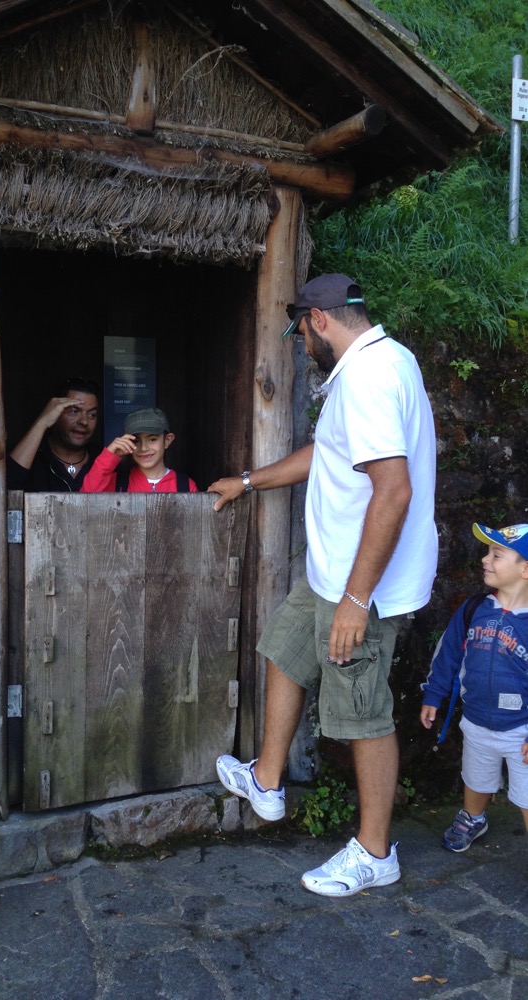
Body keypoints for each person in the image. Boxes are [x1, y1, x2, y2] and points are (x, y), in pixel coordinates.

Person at [208, 272, 437, 897]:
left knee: (362, 714)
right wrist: (248, 481)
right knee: (285, 649)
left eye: (301, 334)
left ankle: (375, 853)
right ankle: (267, 779)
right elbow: (328, 453)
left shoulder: (367, 379)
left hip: (363, 585)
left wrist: (356, 602)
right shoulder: (383, 361)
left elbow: (394, 491)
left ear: (318, 320)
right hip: (333, 570)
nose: (303, 347)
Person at [420, 522, 528, 851]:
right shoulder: (474, 609)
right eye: (487, 553)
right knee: (476, 776)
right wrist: (434, 693)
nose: (485, 559)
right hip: (477, 719)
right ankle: (473, 817)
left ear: (525, 570)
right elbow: (448, 654)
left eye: (496, 554)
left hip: (522, 731)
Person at [6, 377, 101, 491]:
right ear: (55, 414)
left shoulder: (103, 459)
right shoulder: (35, 457)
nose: (84, 422)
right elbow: (7, 482)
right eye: (74, 411)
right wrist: (42, 422)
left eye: (92, 415)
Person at [80, 407, 197, 493]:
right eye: (136, 440)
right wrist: (109, 456)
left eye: (152, 439)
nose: (144, 448)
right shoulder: (117, 483)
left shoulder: (185, 486)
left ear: (167, 440)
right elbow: (84, 500)